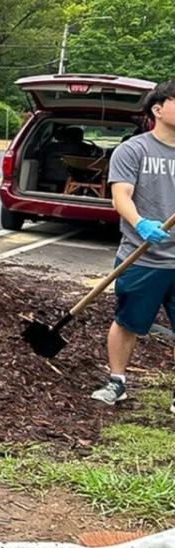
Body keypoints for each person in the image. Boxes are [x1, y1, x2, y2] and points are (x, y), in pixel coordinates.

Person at [90, 80, 175, 408]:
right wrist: (141, 223)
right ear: (158, 109)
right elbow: (120, 196)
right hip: (143, 257)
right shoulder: (134, 150)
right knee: (128, 322)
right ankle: (117, 382)